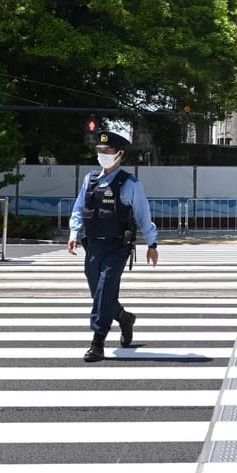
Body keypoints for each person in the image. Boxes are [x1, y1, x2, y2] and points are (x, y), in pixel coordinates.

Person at [68, 130, 158, 362]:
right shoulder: (91, 180)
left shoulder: (130, 184)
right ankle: (124, 317)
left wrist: (152, 243)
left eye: (107, 151)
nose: (103, 154)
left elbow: (143, 215)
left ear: (120, 154)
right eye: (100, 151)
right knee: (98, 292)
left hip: (118, 247)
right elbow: (79, 208)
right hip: (93, 246)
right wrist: (74, 232)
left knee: (106, 288)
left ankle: (97, 343)